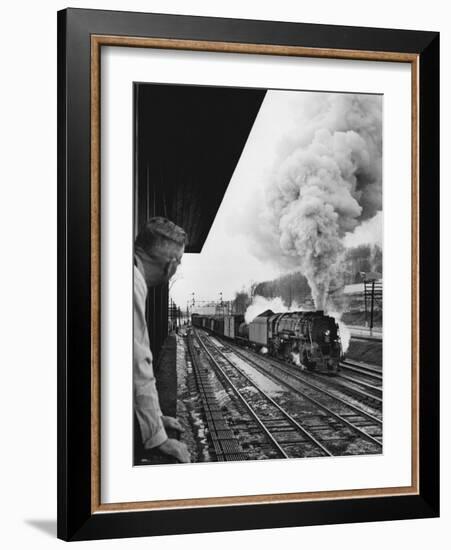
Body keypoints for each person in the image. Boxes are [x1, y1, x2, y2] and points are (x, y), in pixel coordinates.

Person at [134, 217, 191, 463]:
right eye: (179, 261)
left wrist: (157, 417)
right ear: (171, 266)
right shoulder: (131, 284)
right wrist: (159, 437)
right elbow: (138, 363)